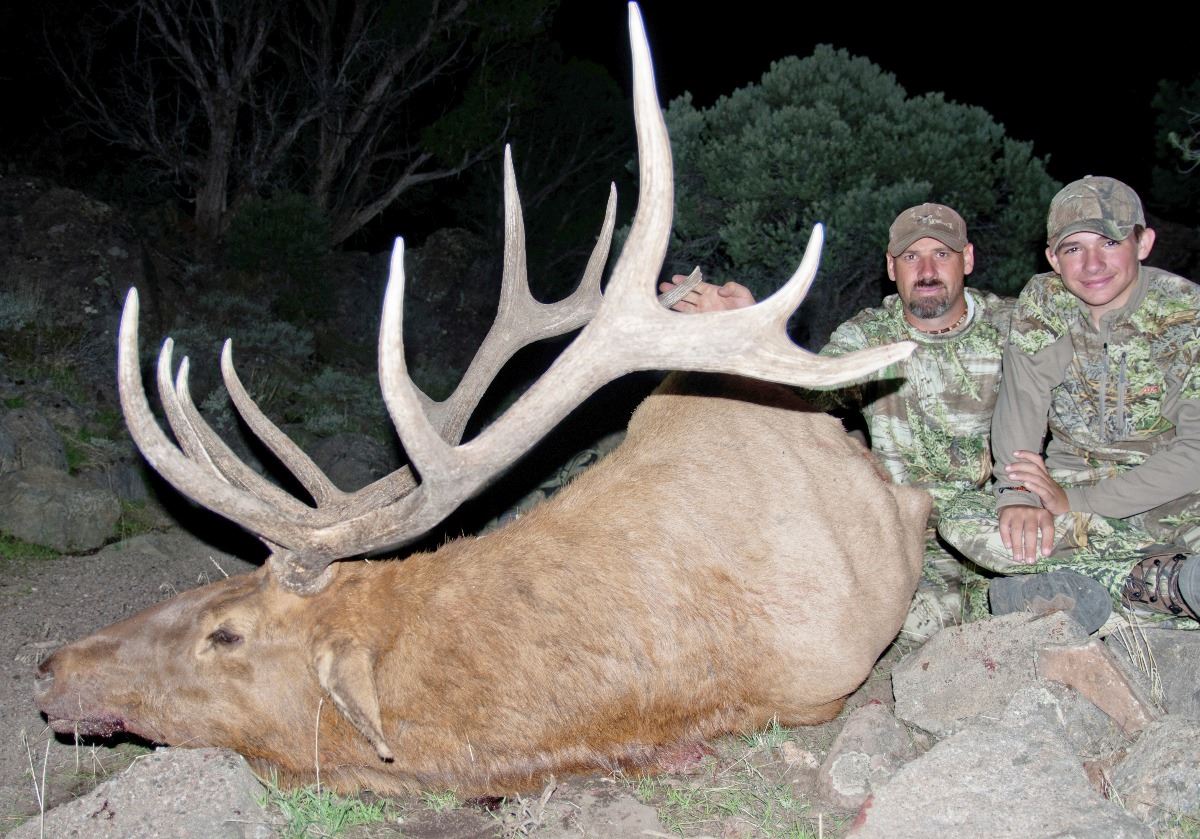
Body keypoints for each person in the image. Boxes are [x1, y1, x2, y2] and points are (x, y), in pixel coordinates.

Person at [662, 204, 1015, 637]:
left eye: (942, 254)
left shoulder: (1014, 326)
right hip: (909, 537)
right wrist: (752, 330)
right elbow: (804, 395)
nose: (926, 271)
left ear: (968, 259)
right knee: (896, 641)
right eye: (911, 257)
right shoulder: (869, 336)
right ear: (892, 267)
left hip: (1004, 522)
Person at [939, 176, 1200, 632]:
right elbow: (1021, 408)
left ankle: (1074, 589)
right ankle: (1160, 587)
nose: (1092, 264)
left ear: (1143, 243)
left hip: (1168, 496)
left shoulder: (1184, 312)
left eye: (1109, 242)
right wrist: (1019, 497)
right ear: (1053, 259)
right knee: (960, 519)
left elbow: (1196, 453)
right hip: (1068, 492)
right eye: (1074, 248)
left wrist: (1078, 503)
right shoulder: (1045, 304)